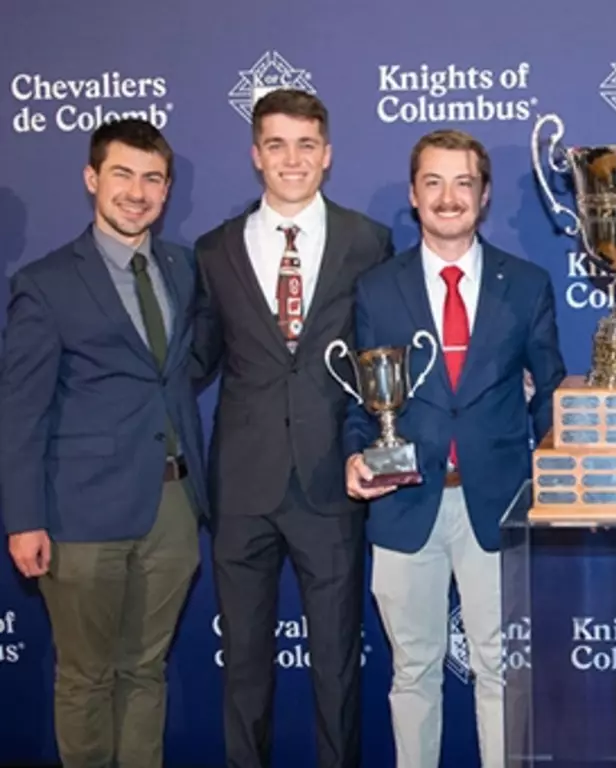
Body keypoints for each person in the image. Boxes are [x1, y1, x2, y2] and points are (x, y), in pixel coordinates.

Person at [343, 129, 564, 768]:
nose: (448, 197)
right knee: (413, 672)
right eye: (433, 183)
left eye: (462, 183)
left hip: (496, 507)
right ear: (414, 195)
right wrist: (359, 457)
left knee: (500, 671)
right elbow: (361, 401)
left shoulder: (525, 284)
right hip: (403, 503)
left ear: (484, 195)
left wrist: (555, 477)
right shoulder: (376, 289)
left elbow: (548, 390)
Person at [192, 88, 393, 768]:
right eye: (276, 144)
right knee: (243, 666)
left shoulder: (369, 241)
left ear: (328, 155)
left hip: (330, 482)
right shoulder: (214, 249)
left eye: (306, 144)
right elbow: (195, 360)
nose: (292, 158)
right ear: (255, 155)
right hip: (241, 485)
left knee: (337, 664)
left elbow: (380, 364)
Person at [0, 118, 207, 767]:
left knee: (145, 672)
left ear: (167, 190)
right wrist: (24, 519)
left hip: (173, 508)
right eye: (122, 174)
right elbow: (20, 411)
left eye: (152, 178)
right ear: (93, 179)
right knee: (87, 677)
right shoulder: (46, 282)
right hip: (80, 514)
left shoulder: (181, 267)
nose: (137, 192)